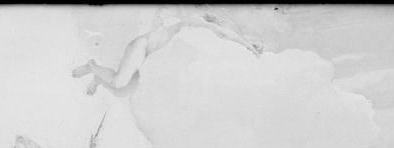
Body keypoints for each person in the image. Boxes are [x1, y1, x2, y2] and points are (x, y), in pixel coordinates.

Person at [72, 10, 262, 97]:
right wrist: (248, 45)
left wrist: (246, 44)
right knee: (119, 83)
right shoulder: (194, 20)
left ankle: (97, 78)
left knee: (124, 88)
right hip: (141, 47)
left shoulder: (196, 25)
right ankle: (92, 67)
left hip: (145, 51)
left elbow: (225, 31)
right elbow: (223, 31)